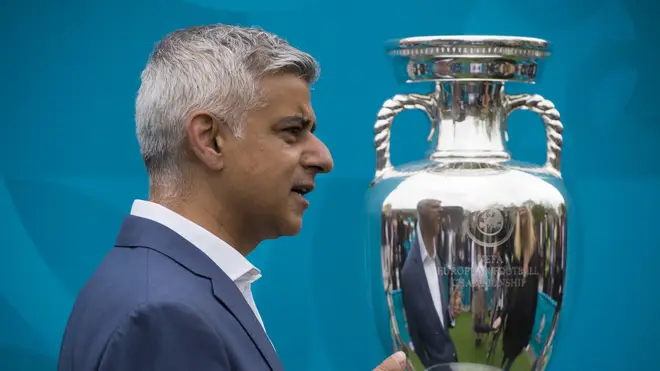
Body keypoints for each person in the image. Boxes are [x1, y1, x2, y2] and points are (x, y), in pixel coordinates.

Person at [57, 24, 407, 371]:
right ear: (210, 140)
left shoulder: (156, 285)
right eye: (291, 131)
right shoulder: (165, 312)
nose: (323, 159)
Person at [400, 199, 460, 368]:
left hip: (451, 358)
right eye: (434, 206)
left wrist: (450, 313)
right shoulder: (410, 272)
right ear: (421, 209)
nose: (440, 210)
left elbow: (436, 317)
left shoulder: (437, 261)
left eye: (440, 207)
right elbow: (414, 331)